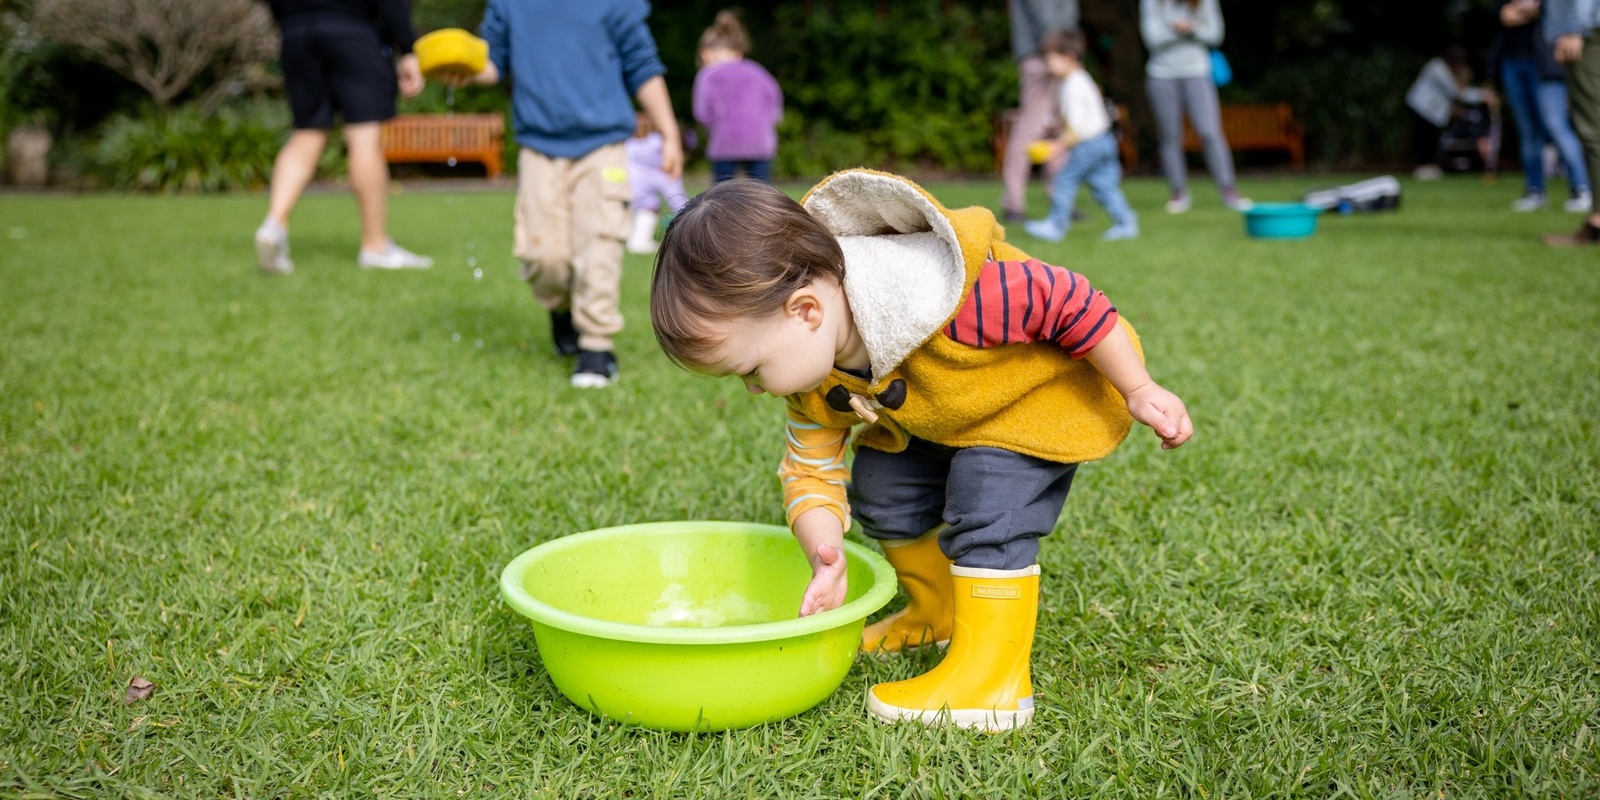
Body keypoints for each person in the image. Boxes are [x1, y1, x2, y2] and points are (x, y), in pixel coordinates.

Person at [649, 172, 1193, 730]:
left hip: (1035, 400)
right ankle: (938, 612)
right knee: (885, 482)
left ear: (806, 311)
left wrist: (1140, 388)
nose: (755, 389)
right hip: (948, 419)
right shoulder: (811, 376)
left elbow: (1068, 299)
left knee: (989, 499)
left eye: (751, 370)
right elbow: (809, 472)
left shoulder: (948, 294)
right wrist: (824, 551)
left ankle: (994, 685)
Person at [456, 0, 682, 387]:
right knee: (544, 256)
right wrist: (461, 65)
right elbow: (492, 61)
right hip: (538, 149)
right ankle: (561, 308)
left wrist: (669, 133)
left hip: (603, 146)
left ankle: (597, 346)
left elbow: (643, 67)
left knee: (599, 244)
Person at [254, 0, 435, 275]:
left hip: (297, 32)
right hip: (352, 30)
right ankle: (375, 247)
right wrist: (407, 48)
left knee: (307, 134)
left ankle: (274, 225)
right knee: (364, 138)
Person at [1024, 30, 1139, 242]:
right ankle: (1125, 222)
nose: (1047, 65)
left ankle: (1056, 225)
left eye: (1051, 60)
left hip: (1089, 145)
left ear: (1068, 58)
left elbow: (1075, 129)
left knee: (1063, 181)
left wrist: (1056, 146)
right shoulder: (1083, 78)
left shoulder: (1072, 86)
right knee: (1104, 186)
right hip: (1105, 140)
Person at [1140, 0, 1253, 212]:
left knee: (1209, 132)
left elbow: (1215, 35)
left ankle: (1228, 189)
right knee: (1170, 136)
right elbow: (1152, 39)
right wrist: (1180, 30)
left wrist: (1190, 28)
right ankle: (1178, 192)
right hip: (1160, 75)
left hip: (1198, 72)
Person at [1498, 0, 1592, 211]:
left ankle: (1581, 188)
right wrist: (1527, 10)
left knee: (1555, 124)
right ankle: (1535, 191)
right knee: (1528, 131)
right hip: (1514, 59)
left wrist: (1525, 10)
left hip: (1546, 64)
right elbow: (1505, 15)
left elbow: (1548, 12)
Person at [1000, 0, 1080, 222]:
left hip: (1053, 57)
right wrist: (1061, 53)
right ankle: (1013, 204)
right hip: (1044, 58)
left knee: (1057, 132)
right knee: (1029, 131)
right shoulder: (1054, 54)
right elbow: (1043, 15)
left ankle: (1061, 201)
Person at [692, 10, 782, 183]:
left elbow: (702, 112)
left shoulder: (708, 74)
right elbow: (774, 105)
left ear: (706, 52)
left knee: (722, 197)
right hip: (759, 141)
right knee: (761, 195)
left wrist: (712, 128)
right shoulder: (759, 71)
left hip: (724, 141)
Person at [1542, 0, 1600, 245]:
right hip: (1587, 29)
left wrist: (1574, 28)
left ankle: (1598, 222)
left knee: (1593, 130)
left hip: (1587, 32)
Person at [1406, 45, 1498, 181]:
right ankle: (1422, 167)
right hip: (1422, 108)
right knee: (1423, 137)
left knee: (1431, 137)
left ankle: (1429, 166)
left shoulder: (1444, 68)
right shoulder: (1437, 67)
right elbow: (1455, 92)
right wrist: (1482, 95)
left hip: (1432, 111)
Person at [624, 112, 689, 255]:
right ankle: (638, 239)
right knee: (647, 205)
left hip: (659, 175)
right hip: (652, 178)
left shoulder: (636, 144)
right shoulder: (653, 142)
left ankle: (637, 238)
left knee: (651, 204)